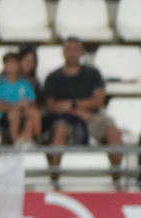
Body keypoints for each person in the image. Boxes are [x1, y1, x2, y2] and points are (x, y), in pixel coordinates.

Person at [44, 36, 123, 175]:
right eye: (69, 49)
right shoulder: (53, 77)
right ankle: (54, 178)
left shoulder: (93, 73)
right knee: (60, 131)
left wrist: (72, 104)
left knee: (113, 132)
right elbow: (51, 105)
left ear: (81, 52)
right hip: (66, 119)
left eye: (76, 49)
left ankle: (117, 179)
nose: (72, 53)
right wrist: (76, 113)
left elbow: (98, 100)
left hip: (93, 117)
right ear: (63, 52)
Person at [0, 52, 41, 145]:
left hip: (23, 111)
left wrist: (26, 104)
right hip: (4, 115)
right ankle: (15, 141)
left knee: (34, 114)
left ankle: (30, 139)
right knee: (14, 114)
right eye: (10, 64)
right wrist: (14, 107)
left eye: (15, 64)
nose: (12, 67)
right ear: (4, 66)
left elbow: (32, 100)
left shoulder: (25, 84)